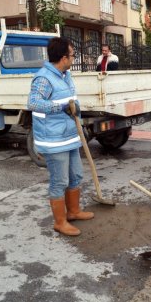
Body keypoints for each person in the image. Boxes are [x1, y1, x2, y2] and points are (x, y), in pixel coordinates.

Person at [28, 37, 94, 237]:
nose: (74, 58)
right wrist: (60, 107)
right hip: (53, 140)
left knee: (76, 175)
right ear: (63, 57)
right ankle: (60, 222)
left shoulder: (65, 75)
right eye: (73, 55)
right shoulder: (44, 79)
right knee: (60, 181)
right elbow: (33, 103)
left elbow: (70, 100)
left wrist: (77, 110)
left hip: (69, 135)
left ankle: (73, 212)